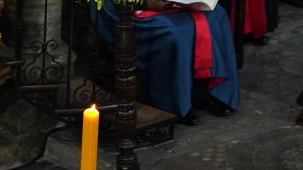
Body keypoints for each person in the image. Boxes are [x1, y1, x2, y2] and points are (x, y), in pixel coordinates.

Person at [96, 0, 238, 124]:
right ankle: (175, 104)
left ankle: (210, 91)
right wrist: (145, 3)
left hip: (169, 4)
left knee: (217, 14)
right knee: (174, 32)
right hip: (125, 8)